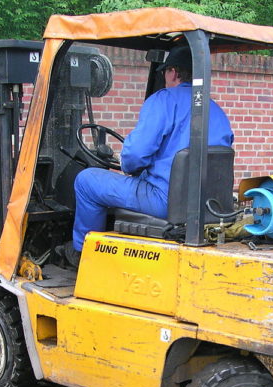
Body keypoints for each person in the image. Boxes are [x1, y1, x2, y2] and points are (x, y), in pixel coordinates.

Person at [65, 45, 234, 267]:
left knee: (87, 181)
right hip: (207, 205)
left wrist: (126, 164)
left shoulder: (163, 100)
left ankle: (83, 255)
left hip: (164, 199)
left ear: (173, 72)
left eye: (164, 72)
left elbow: (135, 155)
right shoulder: (216, 110)